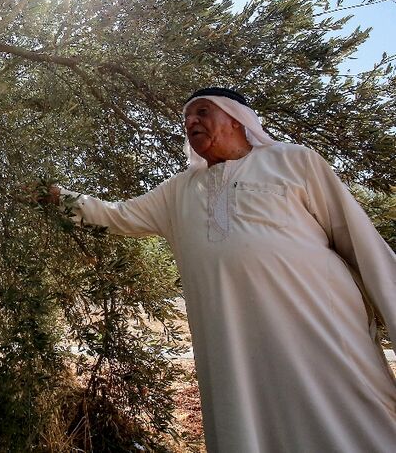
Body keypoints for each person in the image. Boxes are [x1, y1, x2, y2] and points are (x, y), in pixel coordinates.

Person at [50, 87, 396, 452]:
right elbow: (115, 215)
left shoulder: (294, 161)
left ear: (236, 119)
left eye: (201, 112)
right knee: (251, 426)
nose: (190, 122)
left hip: (319, 329)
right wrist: (58, 198)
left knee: (354, 421)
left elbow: (359, 242)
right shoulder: (178, 191)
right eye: (186, 117)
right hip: (233, 342)